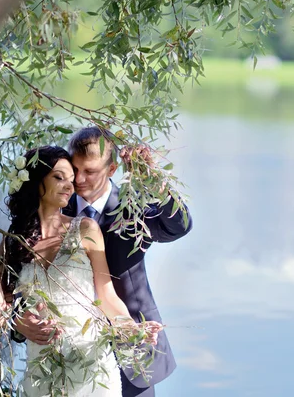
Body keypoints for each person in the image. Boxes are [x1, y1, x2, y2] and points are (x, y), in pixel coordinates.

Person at [12, 128, 193, 397]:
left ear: (111, 169)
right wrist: (18, 322)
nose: (79, 180)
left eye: (91, 171)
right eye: (75, 170)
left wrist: (155, 181)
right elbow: (17, 279)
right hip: (67, 357)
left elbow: (179, 226)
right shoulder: (53, 207)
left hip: (133, 351)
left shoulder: (133, 208)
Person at [0, 146, 163, 396]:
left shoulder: (86, 229)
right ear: (36, 180)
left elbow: (106, 296)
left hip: (92, 367)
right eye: (59, 177)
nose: (69, 186)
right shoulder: (13, 241)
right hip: (42, 373)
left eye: (71, 181)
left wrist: (131, 329)